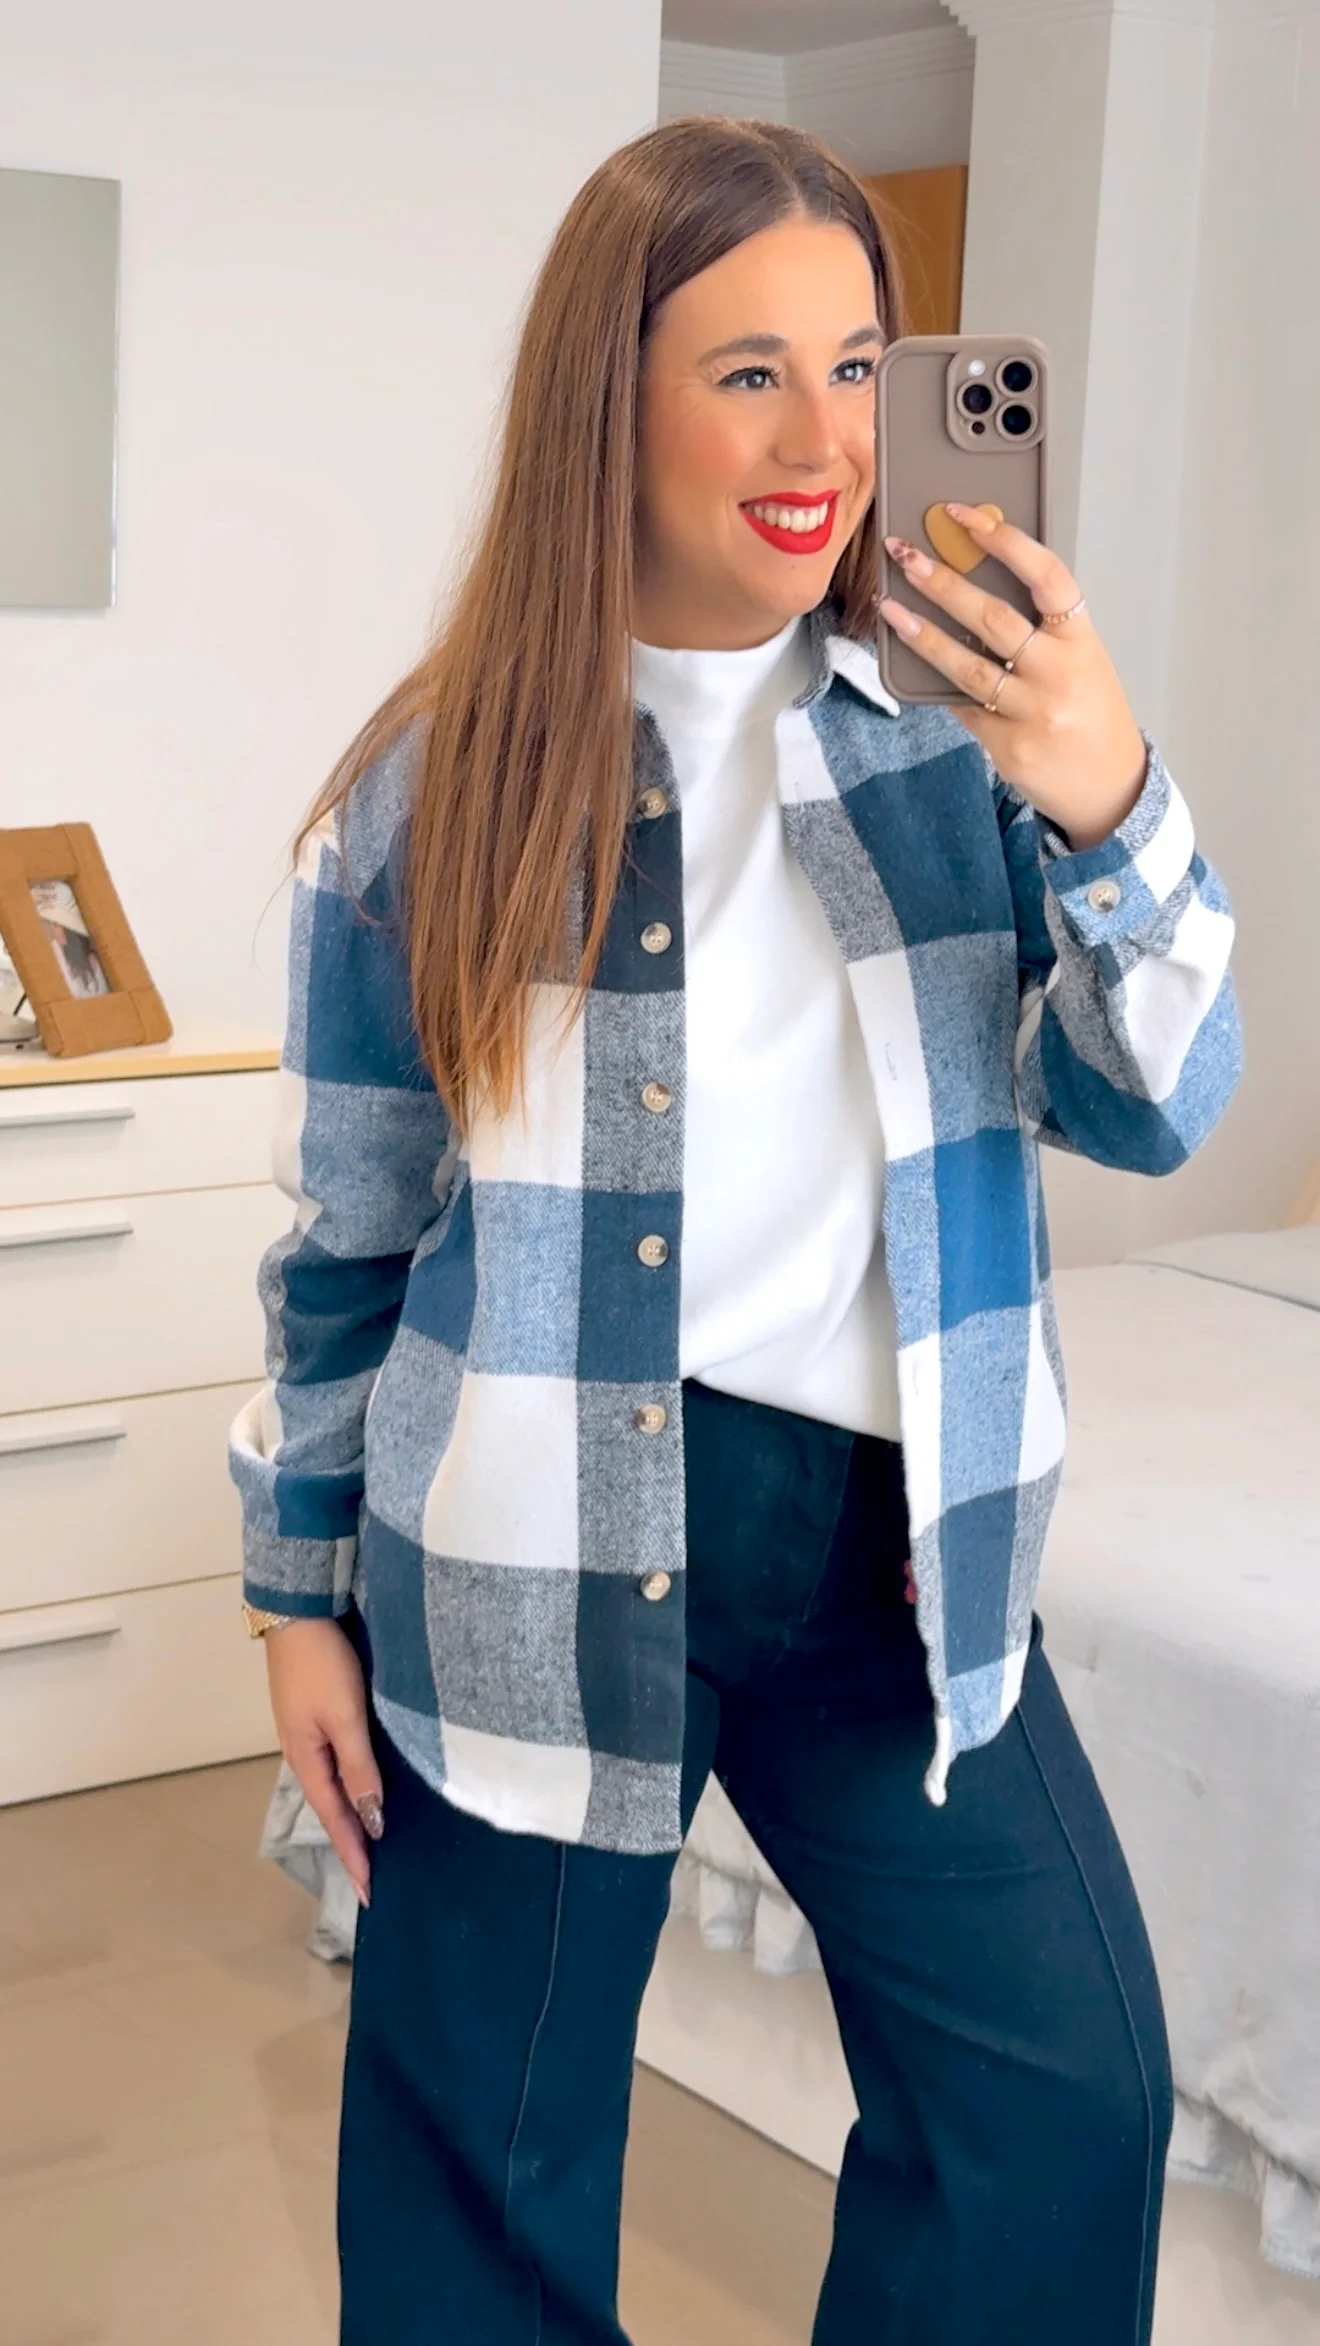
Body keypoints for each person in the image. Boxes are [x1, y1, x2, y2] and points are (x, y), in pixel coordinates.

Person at [229, 118, 1240, 2346]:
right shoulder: (431, 793)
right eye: (750, 372)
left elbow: (1158, 1100)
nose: (825, 443)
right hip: (535, 1542)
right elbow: (353, 1237)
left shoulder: (965, 749)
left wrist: (1110, 797)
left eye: (860, 368)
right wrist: (295, 1595)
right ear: (610, 399)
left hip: (895, 1548)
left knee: (1061, 2105)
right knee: (484, 2183)